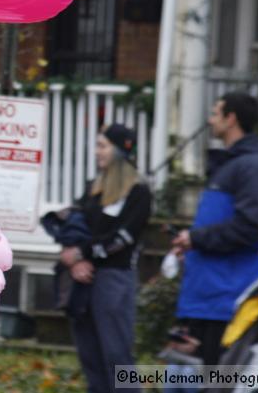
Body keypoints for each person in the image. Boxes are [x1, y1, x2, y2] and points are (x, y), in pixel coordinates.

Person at [172, 93, 258, 367]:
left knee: (216, 381)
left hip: (233, 300)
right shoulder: (234, 165)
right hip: (214, 296)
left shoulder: (252, 166)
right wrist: (191, 244)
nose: (210, 120)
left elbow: (250, 228)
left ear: (231, 119)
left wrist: (195, 238)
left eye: (215, 113)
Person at [61, 124, 152, 393]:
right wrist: (75, 260)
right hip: (84, 281)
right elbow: (73, 222)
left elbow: (123, 237)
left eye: (102, 146)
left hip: (114, 280)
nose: (96, 152)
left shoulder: (139, 192)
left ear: (120, 151)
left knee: (117, 356)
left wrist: (82, 254)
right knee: (90, 357)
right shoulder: (93, 189)